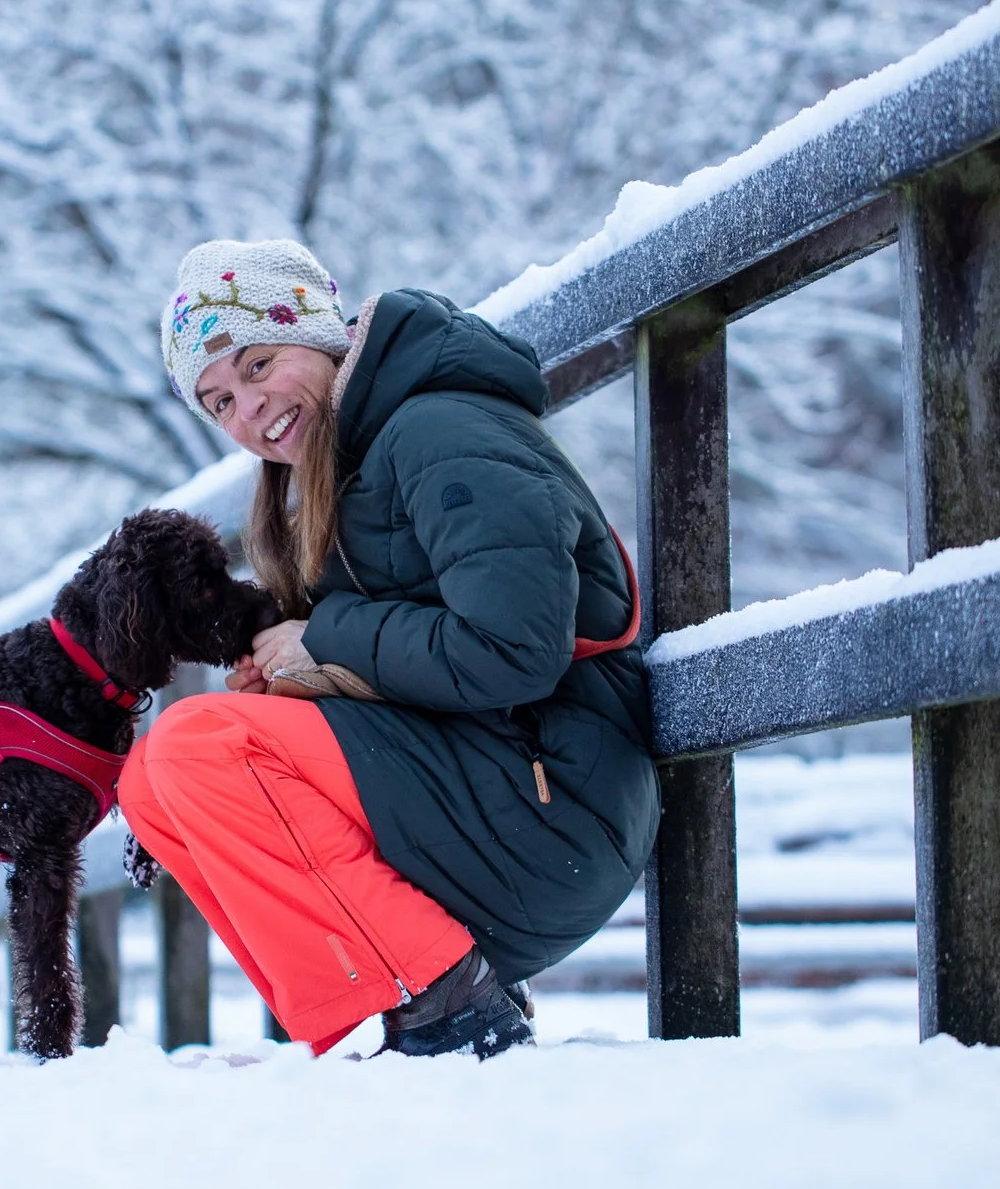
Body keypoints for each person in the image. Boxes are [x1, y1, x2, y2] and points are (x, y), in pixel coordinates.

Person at [116, 238, 657, 1059]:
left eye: (259, 366)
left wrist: (325, 636)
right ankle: (363, 1014)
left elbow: (512, 649)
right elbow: (415, 668)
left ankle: (436, 998)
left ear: (321, 333)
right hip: (486, 791)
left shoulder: (444, 428)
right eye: (220, 402)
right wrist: (302, 683)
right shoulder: (349, 474)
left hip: (560, 811)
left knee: (199, 744)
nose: (249, 412)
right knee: (150, 781)